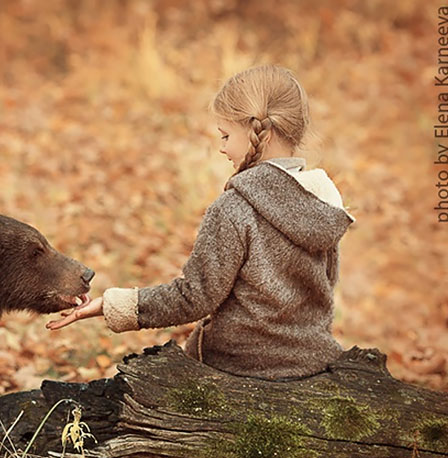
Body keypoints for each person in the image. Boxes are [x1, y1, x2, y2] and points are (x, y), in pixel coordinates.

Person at [47, 65, 354, 380]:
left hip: (235, 365)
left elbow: (194, 297)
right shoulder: (323, 202)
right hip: (311, 363)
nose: (222, 147)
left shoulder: (234, 208)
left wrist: (112, 304)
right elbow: (324, 291)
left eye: (226, 135)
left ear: (259, 131)